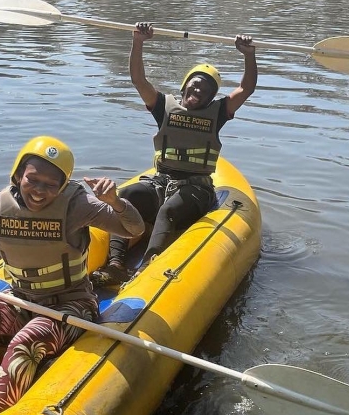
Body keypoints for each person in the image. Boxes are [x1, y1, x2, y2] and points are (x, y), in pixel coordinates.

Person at [0, 135, 144, 415]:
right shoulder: (1, 202)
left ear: (62, 185)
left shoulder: (78, 204)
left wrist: (115, 203)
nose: (39, 191)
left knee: (27, 340)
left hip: (72, 306)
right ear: (19, 175)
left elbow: (133, 228)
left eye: (50, 184)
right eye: (33, 180)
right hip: (21, 298)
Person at [90, 22, 257, 287]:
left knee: (168, 210)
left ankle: (146, 269)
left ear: (212, 98)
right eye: (194, 85)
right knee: (127, 196)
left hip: (196, 190)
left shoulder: (219, 113)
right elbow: (138, 80)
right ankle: (116, 265)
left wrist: (248, 55)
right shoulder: (163, 107)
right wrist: (138, 41)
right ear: (183, 88)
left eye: (205, 90)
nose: (198, 91)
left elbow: (245, 89)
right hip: (161, 182)